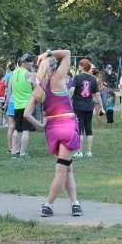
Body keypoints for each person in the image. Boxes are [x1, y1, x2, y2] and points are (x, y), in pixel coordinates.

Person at [24, 49, 82, 217]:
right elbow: (68, 53)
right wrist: (48, 52)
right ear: (53, 67)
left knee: (67, 168)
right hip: (67, 126)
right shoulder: (58, 78)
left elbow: (27, 114)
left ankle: (75, 203)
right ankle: (48, 205)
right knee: (61, 171)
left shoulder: (38, 89)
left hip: (52, 130)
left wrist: (40, 125)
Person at [71, 59, 104, 158]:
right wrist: (102, 106)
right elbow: (98, 94)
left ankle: (79, 152)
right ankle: (89, 152)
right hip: (89, 106)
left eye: (79, 66)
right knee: (89, 128)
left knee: (79, 128)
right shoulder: (93, 79)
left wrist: (67, 101)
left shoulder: (77, 77)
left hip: (78, 106)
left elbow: (72, 90)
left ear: (81, 67)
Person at [11, 54, 36, 158]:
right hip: (27, 104)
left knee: (17, 129)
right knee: (25, 130)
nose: (32, 63)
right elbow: (35, 87)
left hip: (17, 104)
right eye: (30, 62)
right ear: (25, 62)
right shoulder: (27, 74)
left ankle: (14, 151)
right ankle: (22, 153)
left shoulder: (14, 72)